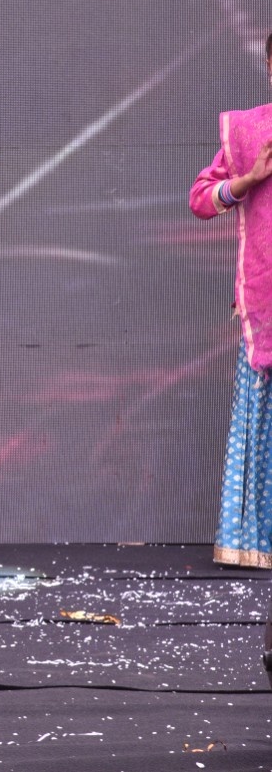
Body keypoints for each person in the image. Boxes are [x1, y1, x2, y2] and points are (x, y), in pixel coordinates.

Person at [191, 32, 272, 569]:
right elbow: (201, 198)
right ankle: (254, 543)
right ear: (269, 66)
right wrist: (247, 180)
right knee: (260, 422)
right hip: (264, 300)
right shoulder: (248, 130)